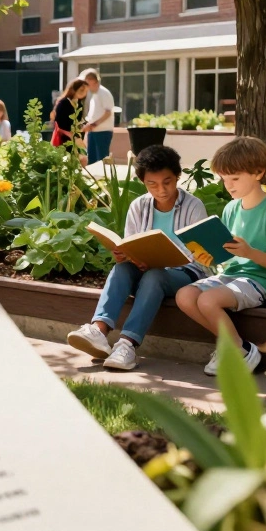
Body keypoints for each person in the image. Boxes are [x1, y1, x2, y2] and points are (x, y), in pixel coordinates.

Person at [66, 146, 210, 370]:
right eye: (152, 184)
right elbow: (132, 244)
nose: (161, 190)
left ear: (177, 177)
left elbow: (200, 258)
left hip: (185, 274)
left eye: (167, 182)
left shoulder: (194, 206)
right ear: (143, 182)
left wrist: (163, 261)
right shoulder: (138, 206)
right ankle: (99, 330)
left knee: (155, 275)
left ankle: (127, 345)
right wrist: (127, 255)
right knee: (121, 269)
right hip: (146, 269)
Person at [175, 137, 266, 376]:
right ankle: (234, 345)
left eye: (235, 178)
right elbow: (227, 258)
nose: (228, 186)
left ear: (258, 172)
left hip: (261, 281)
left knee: (208, 300)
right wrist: (210, 258)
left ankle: (239, 351)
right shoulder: (231, 208)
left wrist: (250, 252)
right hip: (231, 276)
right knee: (185, 295)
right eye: (224, 179)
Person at [81, 69, 116, 165]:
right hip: (93, 132)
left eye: (89, 83)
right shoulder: (94, 95)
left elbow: (108, 112)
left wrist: (93, 124)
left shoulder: (103, 93)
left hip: (102, 132)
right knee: (91, 160)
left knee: (101, 160)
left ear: (95, 81)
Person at [50, 78, 90, 157]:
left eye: (86, 91)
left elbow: (77, 122)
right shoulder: (64, 103)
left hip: (75, 139)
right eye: (82, 90)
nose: (84, 93)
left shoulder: (79, 104)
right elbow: (60, 123)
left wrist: (83, 126)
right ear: (74, 89)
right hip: (64, 139)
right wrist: (72, 136)